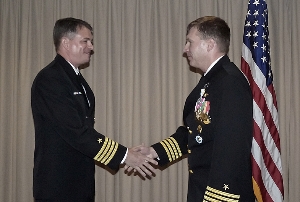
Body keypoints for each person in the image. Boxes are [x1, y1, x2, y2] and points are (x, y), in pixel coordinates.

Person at [31, 17, 157, 201]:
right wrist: (125, 155)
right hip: (58, 183)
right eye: (85, 41)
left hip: (79, 181)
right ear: (65, 43)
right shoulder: (50, 79)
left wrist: (126, 154)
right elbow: (77, 132)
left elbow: (85, 131)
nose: (91, 47)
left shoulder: (75, 79)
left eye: (91, 41)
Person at [134, 16, 255, 201]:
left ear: (210, 44)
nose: (185, 49)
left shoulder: (230, 82)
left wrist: (217, 198)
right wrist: (154, 151)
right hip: (202, 189)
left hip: (219, 195)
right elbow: (195, 132)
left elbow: (231, 148)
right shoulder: (212, 81)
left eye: (190, 42)